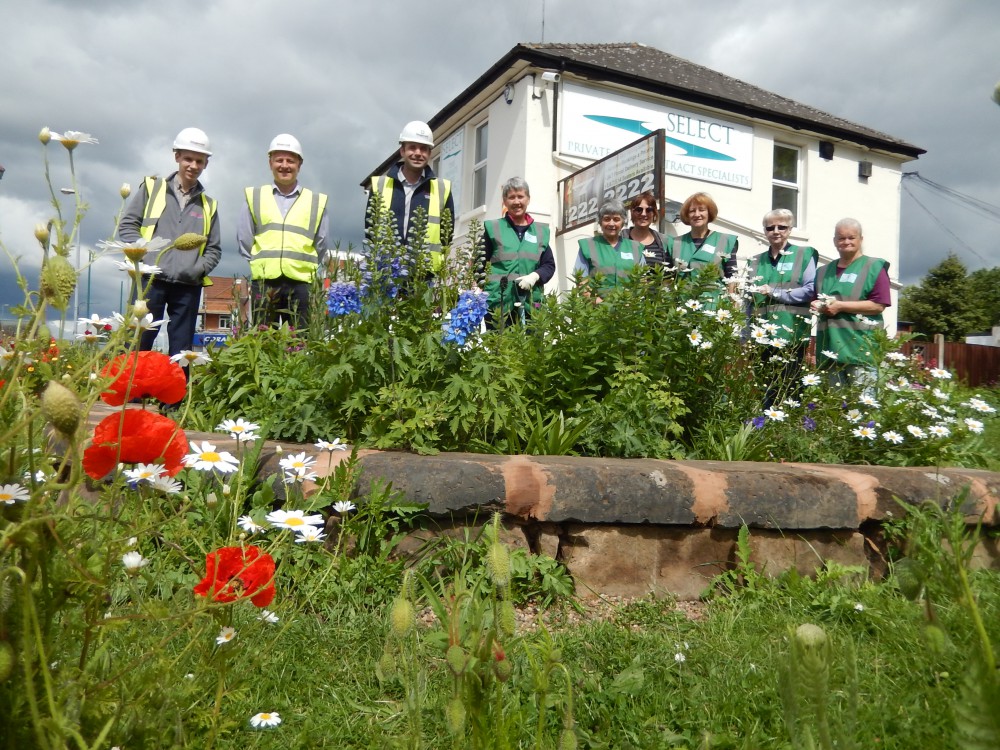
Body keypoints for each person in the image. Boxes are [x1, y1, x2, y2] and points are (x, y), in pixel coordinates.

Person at [118, 127, 221, 358]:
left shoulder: (208, 205)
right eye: (188, 159)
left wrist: (198, 269)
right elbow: (127, 226)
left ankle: (178, 395)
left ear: (206, 164)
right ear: (177, 157)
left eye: (199, 161)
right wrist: (144, 258)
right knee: (136, 346)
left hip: (188, 287)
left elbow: (214, 248)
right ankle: (131, 395)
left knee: (181, 352)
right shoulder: (152, 189)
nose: (193, 165)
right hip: (149, 281)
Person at [237, 134, 329, 330]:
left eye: (290, 160)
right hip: (264, 282)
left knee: (298, 343)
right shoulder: (255, 197)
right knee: (264, 343)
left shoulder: (315, 202)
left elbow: (321, 244)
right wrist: (261, 263)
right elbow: (245, 239)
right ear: (270, 163)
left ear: (299, 164)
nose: (285, 165)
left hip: (300, 284)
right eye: (279, 160)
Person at [746, 209, 818, 405]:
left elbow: (811, 290)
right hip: (761, 337)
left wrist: (775, 292)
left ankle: (788, 432)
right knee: (764, 391)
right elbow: (748, 300)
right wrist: (745, 335)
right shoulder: (754, 261)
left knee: (790, 392)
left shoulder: (804, 254)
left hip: (791, 336)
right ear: (764, 231)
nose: (776, 231)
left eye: (782, 227)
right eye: (770, 227)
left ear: (790, 229)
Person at [366, 120, 455, 274]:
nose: (418, 153)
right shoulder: (380, 185)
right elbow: (370, 231)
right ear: (402, 151)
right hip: (385, 274)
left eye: (423, 149)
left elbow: (446, 236)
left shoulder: (442, 189)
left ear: (429, 153)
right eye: (412, 147)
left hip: (423, 277)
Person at [809, 218, 891, 386]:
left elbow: (878, 305)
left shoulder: (874, 267)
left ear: (861, 239)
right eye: (841, 238)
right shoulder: (823, 272)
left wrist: (840, 306)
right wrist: (817, 305)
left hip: (861, 350)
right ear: (834, 241)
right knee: (835, 408)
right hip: (830, 350)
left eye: (851, 237)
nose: (846, 242)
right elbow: (816, 300)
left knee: (862, 407)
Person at [482, 177, 555, 328]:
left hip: (531, 303)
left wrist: (535, 276)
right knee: (500, 348)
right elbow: (479, 264)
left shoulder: (541, 232)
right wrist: (484, 291)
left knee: (532, 349)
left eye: (520, 196)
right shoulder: (493, 229)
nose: (516, 202)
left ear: (528, 199)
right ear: (504, 201)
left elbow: (548, 264)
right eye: (511, 197)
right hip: (499, 303)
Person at [667, 192, 738, 305]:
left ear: (709, 213)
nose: (697, 214)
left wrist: (733, 309)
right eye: (692, 211)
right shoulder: (674, 243)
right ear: (687, 215)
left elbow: (732, 278)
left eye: (701, 210)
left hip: (714, 309)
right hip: (683, 309)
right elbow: (668, 279)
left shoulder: (725, 241)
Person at [574, 200, 644, 298]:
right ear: (600, 222)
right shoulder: (588, 246)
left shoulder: (635, 248)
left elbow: (642, 281)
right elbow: (581, 279)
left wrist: (630, 303)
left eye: (616, 219)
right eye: (607, 219)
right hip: (596, 309)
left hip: (629, 309)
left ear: (623, 222)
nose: (611, 224)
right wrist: (599, 303)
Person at [626, 192, 670, 268]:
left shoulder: (665, 242)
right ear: (632, 212)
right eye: (639, 210)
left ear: (654, 213)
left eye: (649, 210)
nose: (643, 214)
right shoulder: (621, 239)